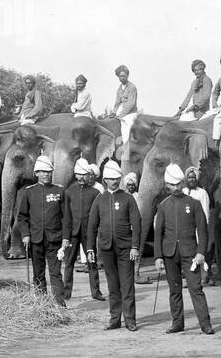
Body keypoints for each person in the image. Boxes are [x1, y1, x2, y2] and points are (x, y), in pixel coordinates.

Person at [153, 164, 213, 335]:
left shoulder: (193, 204)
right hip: (170, 253)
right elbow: (158, 233)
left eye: (178, 184)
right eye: (172, 184)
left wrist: (201, 252)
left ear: (183, 183)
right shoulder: (163, 206)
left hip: (190, 253)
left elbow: (202, 230)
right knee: (174, 290)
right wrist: (158, 256)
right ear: (167, 185)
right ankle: (177, 323)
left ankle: (205, 324)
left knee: (196, 288)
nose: (176, 187)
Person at [88, 161, 142, 331]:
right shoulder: (99, 200)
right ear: (104, 180)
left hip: (126, 248)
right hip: (106, 248)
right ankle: (115, 319)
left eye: (117, 178)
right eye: (111, 179)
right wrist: (90, 249)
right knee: (112, 285)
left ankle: (130, 319)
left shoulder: (128, 198)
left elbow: (137, 224)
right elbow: (91, 227)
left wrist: (135, 246)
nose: (115, 181)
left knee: (127, 284)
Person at [17, 154, 67, 307]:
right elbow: (22, 216)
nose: (46, 174)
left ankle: (60, 304)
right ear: (36, 173)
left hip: (55, 239)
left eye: (48, 171)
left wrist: (65, 238)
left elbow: (66, 218)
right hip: (35, 239)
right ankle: (41, 304)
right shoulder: (29, 192)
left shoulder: (59, 191)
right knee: (38, 273)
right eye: (43, 171)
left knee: (55, 273)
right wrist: (25, 235)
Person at [60, 159, 104, 302]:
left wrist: (96, 232)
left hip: (88, 233)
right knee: (69, 263)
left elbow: (98, 216)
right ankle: (66, 293)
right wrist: (65, 237)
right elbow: (66, 217)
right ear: (74, 174)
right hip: (72, 233)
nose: (81, 178)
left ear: (89, 175)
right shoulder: (68, 192)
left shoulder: (95, 192)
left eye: (84, 175)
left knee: (92, 261)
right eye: (78, 174)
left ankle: (96, 292)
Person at [112, 65, 139, 144]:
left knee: (126, 130)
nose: (122, 78)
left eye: (124, 76)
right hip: (121, 112)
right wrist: (113, 112)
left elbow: (131, 104)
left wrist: (120, 115)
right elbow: (117, 103)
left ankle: (126, 145)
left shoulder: (132, 87)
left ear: (127, 75)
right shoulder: (119, 89)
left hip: (130, 113)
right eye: (120, 76)